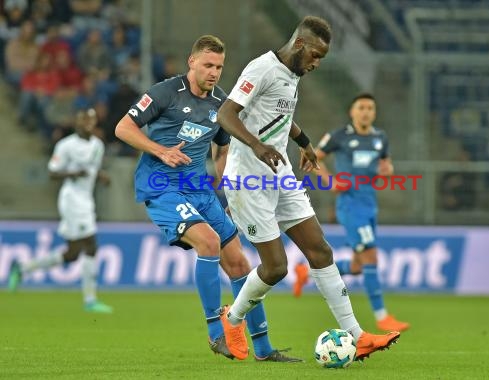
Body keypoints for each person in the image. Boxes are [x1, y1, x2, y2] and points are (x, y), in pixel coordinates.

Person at [217, 16, 401, 362]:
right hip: (247, 179)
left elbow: (280, 117)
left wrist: (304, 142)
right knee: (275, 269)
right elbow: (226, 115)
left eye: (322, 59)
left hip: (280, 172)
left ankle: (358, 337)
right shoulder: (262, 69)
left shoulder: (293, 73)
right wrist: (257, 146)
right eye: (315, 55)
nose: (316, 64)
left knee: (320, 251)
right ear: (300, 44)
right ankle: (232, 320)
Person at [114, 35, 300, 362]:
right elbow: (123, 128)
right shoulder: (164, 93)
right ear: (192, 62)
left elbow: (223, 148)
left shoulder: (220, 103)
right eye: (208, 65)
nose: (214, 72)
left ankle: (263, 348)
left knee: (240, 263)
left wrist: (227, 186)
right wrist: (161, 150)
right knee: (209, 242)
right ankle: (218, 334)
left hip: (199, 189)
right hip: (161, 186)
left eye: (219, 67)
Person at [294, 93, 410, 332]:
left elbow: (386, 165)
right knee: (371, 258)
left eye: (370, 108)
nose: (366, 112)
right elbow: (312, 156)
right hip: (350, 206)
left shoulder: (380, 138)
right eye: (361, 107)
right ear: (352, 112)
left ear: (374, 113)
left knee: (358, 266)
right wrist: (329, 182)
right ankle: (382, 316)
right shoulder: (340, 136)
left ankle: (305, 273)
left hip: (370, 205)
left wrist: (387, 169)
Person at [8, 108, 114, 314]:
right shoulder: (66, 146)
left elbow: (91, 168)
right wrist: (73, 173)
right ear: (77, 123)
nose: (87, 124)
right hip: (72, 199)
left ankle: (22, 268)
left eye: (90, 120)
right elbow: (52, 172)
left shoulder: (97, 146)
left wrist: (101, 176)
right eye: (83, 120)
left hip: (86, 199)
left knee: (72, 254)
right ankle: (90, 300)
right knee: (91, 245)